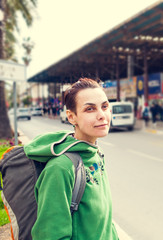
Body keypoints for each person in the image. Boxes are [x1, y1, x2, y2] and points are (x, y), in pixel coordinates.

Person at [24, 78, 119, 240]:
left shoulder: (96, 154)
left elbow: (105, 222)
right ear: (71, 117)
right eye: (90, 109)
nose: (102, 115)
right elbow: (50, 235)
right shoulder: (61, 168)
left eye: (104, 107)